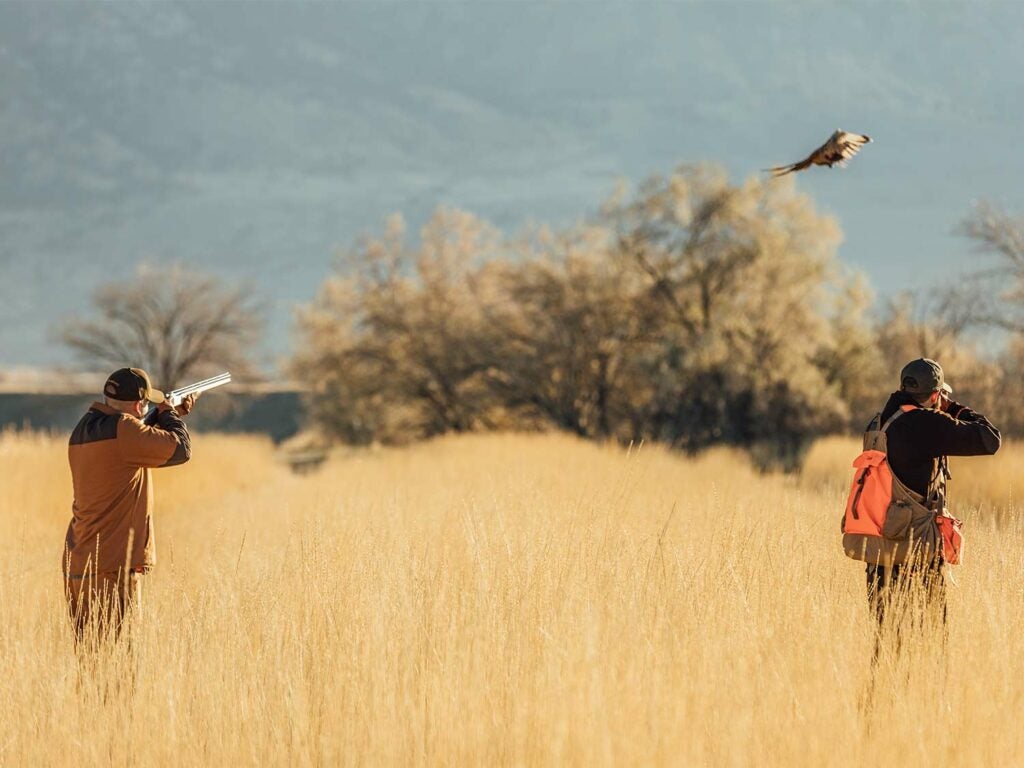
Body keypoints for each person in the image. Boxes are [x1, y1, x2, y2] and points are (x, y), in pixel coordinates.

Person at [865, 358, 1000, 645]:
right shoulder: (927, 423)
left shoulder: (880, 421)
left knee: (887, 645)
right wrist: (953, 408)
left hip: (879, 546)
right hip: (916, 550)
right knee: (932, 642)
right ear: (936, 394)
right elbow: (990, 439)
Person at [63, 367, 197, 643]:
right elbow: (180, 449)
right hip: (111, 567)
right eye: (146, 405)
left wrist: (164, 416)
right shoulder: (126, 430)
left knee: (91, 661)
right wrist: (169, 413)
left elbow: (134, 442)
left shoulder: (83, 429)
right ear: (139, 404)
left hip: (78, 564)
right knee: (118, 665)